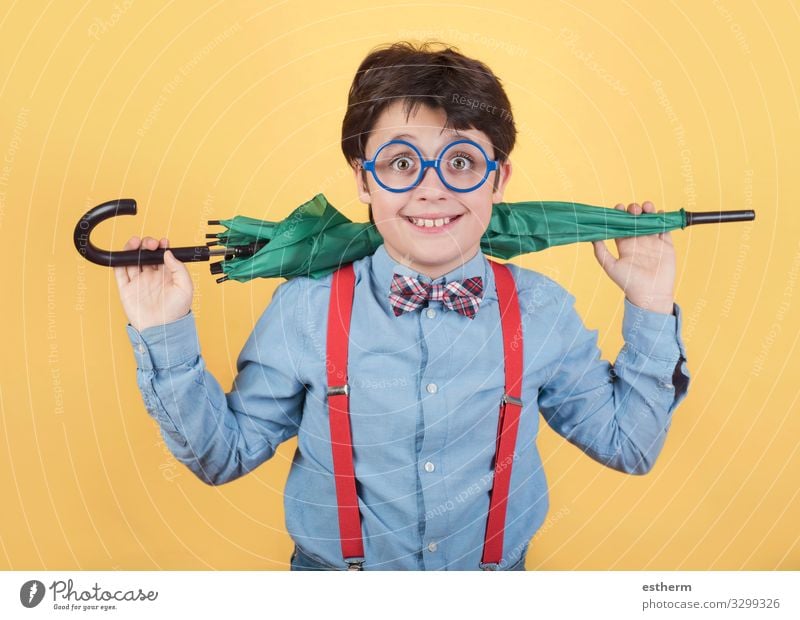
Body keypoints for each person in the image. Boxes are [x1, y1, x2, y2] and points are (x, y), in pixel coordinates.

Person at [115, 41, 690, 571]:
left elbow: (629, 447)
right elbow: (223, 456)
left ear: (499, 178)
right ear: (364, 181)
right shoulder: (305, 312)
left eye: (461, 161)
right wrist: (163, 333)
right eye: (400, 163)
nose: (431, 189)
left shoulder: (542, 311)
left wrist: (650, 306)